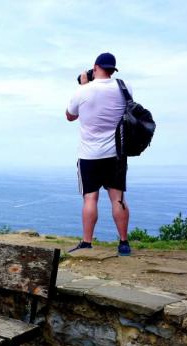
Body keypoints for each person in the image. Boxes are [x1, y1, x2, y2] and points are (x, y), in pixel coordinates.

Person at [65, 52, 132, 256]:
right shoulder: (124, 87)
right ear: (113, 69)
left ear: (95, 67)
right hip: (116, 153)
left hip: (89, 154)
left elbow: (70, 116)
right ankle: (123, 243)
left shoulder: (83, 91)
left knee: (90, 199)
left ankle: (87, 242)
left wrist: (84, 84)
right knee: (117, 199)